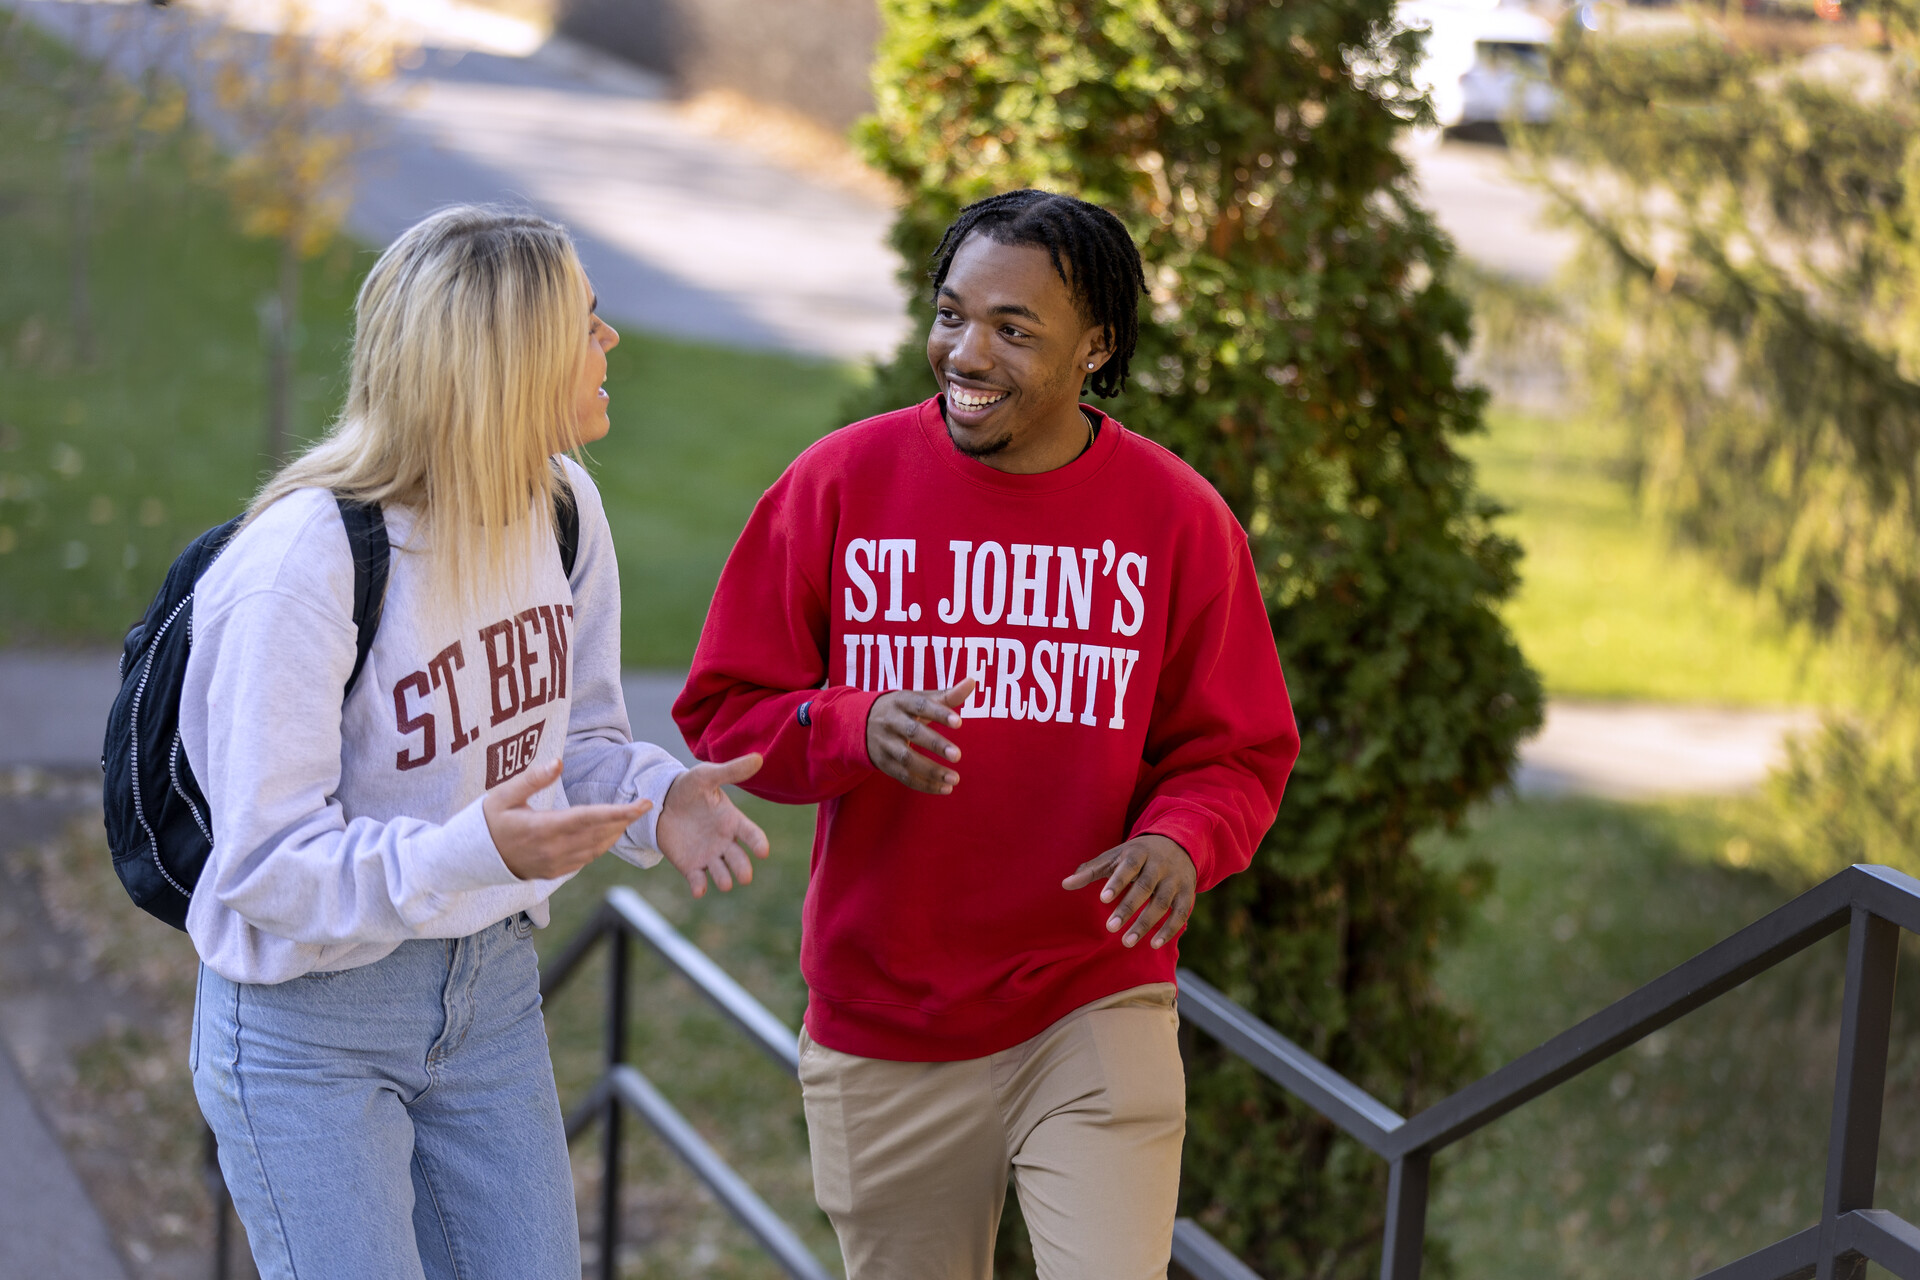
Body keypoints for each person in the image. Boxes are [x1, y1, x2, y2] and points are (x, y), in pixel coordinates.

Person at [673, 189, 1300, 1279]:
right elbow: (725, 711)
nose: (967, 352)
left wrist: (1179, 839)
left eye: (1014, 329)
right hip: (887, 1016)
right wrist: (853, 726)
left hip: (1093, 996)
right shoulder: (838, 486)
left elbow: (1237, 747)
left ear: (1094, 346)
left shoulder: (1177, 518)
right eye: (952, 314)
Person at [182, 205, 769, 1280]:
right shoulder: (306, 566)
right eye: (586, 322)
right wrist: (474, 852)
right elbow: (263, 864)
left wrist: (655, 794)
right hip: (310, 1023)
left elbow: (575, 738)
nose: (612, 342)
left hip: (490, 992)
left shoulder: (561, 511)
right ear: (506, 359)